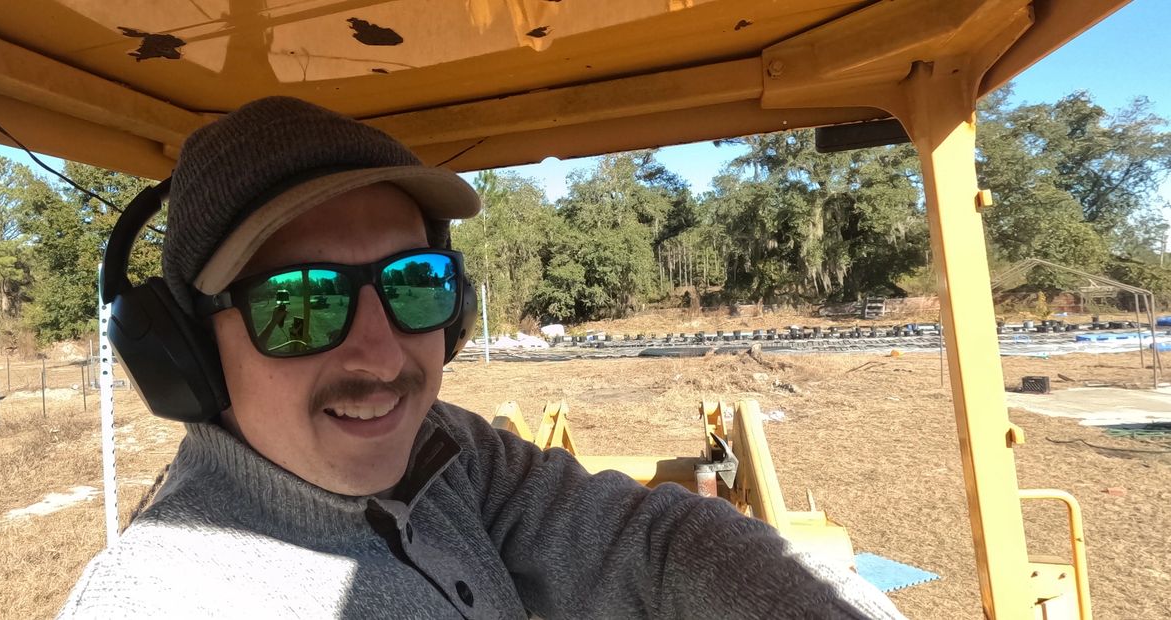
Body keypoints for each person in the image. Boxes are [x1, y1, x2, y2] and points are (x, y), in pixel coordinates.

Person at [59, 97, 905, 619]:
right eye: (301, 303)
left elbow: (653, 541)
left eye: (414, 282)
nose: (381, 355)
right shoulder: (167, 598)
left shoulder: (449, 454)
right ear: (187, 353)